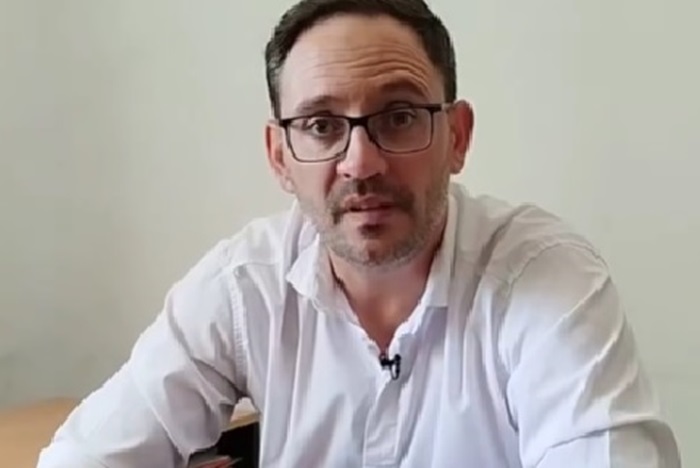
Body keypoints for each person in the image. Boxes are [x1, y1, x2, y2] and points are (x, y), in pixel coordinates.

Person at [38, 0, 681, 466]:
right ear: (280, 157)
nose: (361, 162)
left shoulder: (544, 277)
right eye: (320, 125)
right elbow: (85, 456)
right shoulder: (244, 287)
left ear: (456, 137)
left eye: (399, 116)